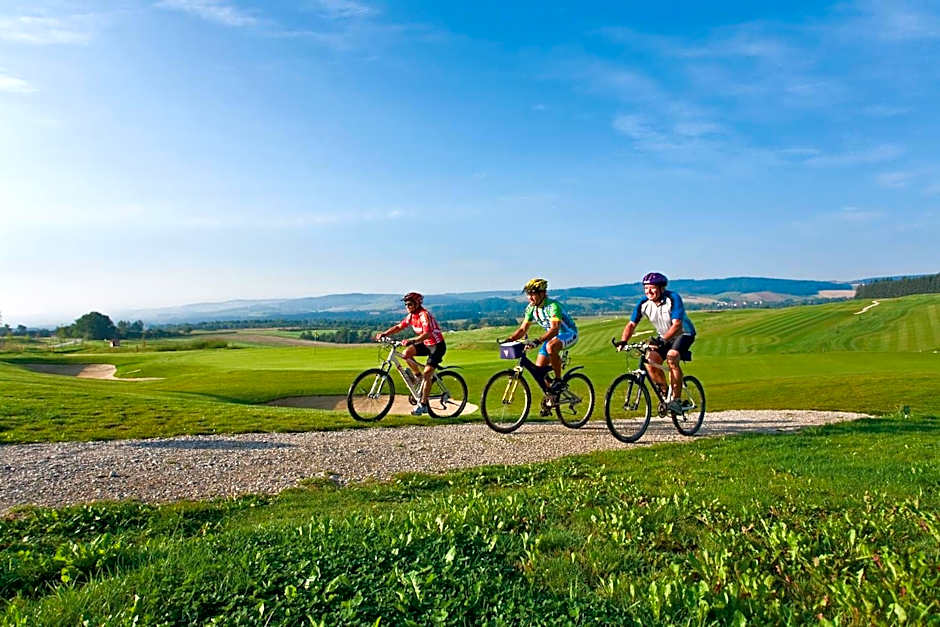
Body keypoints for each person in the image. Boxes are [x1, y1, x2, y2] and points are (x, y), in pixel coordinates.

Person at [619, 272, 696, 414]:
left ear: (661, 288)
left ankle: (676, 400)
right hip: (664, 335)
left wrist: (662, 341)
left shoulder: (673, 299)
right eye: (646, 288)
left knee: (672, 357)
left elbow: (677, 325)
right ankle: (666, 395)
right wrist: (623, 341)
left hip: (683, 334)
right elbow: (631, 325)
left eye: (652, 288)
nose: (648, 291)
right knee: (650, 361)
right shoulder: (644, 304)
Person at [503, 278, 578, 397]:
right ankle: (551, 398)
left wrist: (538, 341)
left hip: (569, 334)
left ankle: (558, 380)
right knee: (539, 370)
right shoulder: (531, 308)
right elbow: (522, 329)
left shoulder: (553, 306)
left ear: (542, 293)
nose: (530, 298)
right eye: (528, 294)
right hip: (552, 337)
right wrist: (510, 339)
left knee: (550, 346)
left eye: (532, 294)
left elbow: (555, 329)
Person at [375, 292, 446, 416]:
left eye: (410, 304)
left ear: (417, 303)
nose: (407, 306)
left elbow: (428, 333)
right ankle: (418, 376)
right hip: (425, 344)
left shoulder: (424, 315)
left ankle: (423, 405)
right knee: (406, 354)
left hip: (437, 346)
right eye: (406, 304)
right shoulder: (411, 316)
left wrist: (412, 341)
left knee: (427, 374)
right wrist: (385, 334)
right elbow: (399, 327)